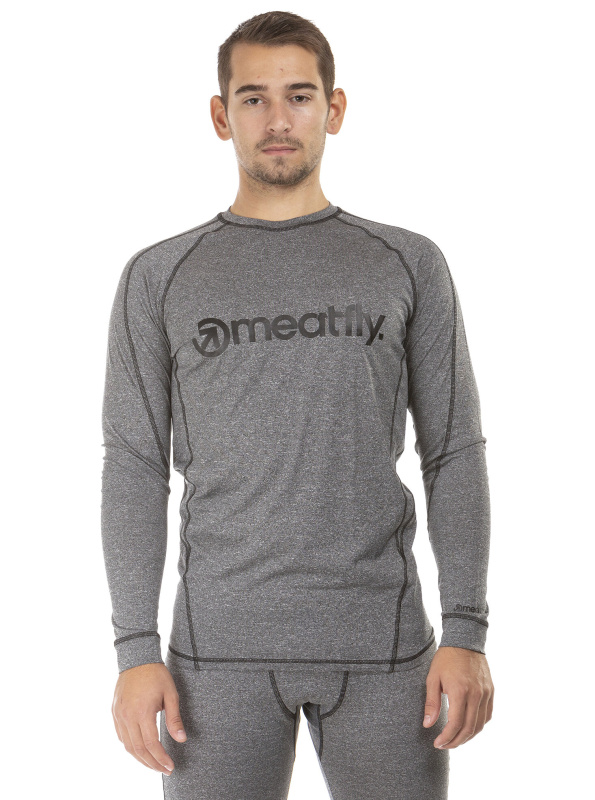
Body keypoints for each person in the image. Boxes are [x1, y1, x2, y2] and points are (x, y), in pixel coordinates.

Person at [101, 10, 494, 800]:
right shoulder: (160, 275)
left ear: (333, 108)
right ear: (221, 116)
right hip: (214, 658)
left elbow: (452, 449)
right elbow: (135, 466)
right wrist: (135, 649)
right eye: (252, 98)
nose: (277, 120)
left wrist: (466, 630)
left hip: (385, 650)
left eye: (299, 96)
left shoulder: (407, 262)